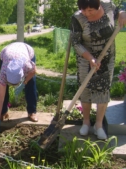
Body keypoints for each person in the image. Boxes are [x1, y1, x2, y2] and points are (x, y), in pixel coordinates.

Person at [70, 0, 126, 140]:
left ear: (99, 5)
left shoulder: (109, 6)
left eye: (91, 10)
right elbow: (76, 43)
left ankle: (99, 125)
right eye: (84, 10)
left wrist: (122, 14)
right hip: (86, 58)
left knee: (103, 89)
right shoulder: (77, 18)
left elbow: (119, 12)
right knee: (85, 89)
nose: (87, 13)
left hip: (107, 57)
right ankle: (86, 122)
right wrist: (90, 58)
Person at [0, 42, 38, 133]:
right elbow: (0, 98)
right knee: (2, 87)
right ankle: (2, 112)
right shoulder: (3, 73)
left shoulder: (27, 66)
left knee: (31, 83)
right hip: (7, 53)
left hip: (26, 50)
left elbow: (34, 71)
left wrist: (25, 81)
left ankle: (32, 111)